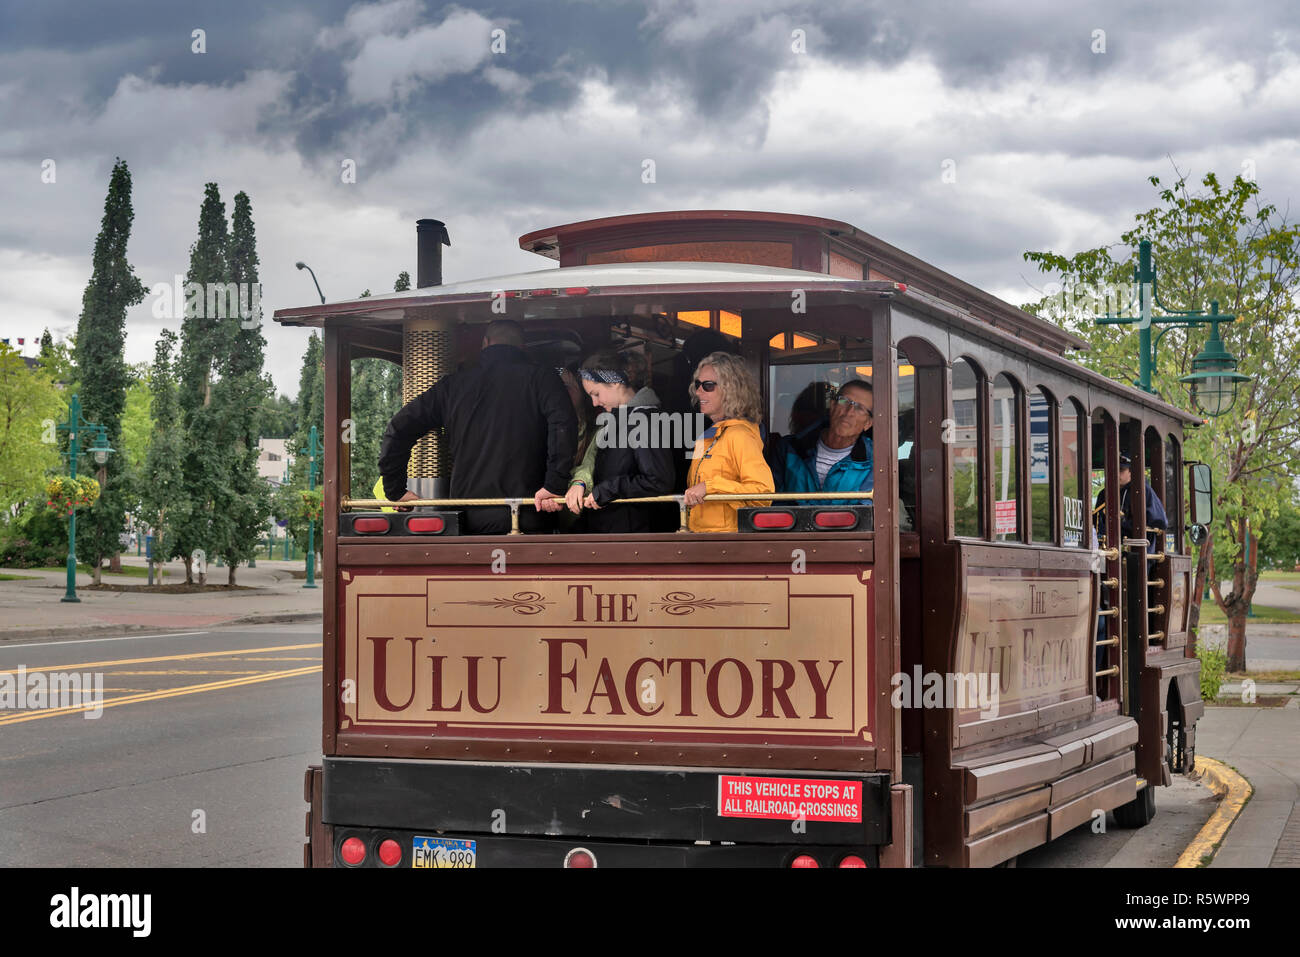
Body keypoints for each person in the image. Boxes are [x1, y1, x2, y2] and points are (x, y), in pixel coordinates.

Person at [377, 319, 577, 534]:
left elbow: (398, 428)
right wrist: (554, 486)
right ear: (522, 346)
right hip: (530, 514)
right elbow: (564, 427)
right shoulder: (542, 378)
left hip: (467, 519)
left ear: (485, 342)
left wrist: (395, 489)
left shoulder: (452, 386)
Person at [545, 350, 674, 533]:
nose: (594, 403)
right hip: (613, 531)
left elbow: (659, 480)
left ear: (614, 382)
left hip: (633, 537)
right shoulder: (616, 422)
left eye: (596, 393)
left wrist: (608, 489)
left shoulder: (644, 420)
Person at [682, 351, 774, 532]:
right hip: (700, 541)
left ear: (730, 389)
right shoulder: (706, 437)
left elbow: (763, 493)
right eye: (698, 384)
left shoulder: (740, 435)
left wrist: (711, 487)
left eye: (708, 386)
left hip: (728, 544)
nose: (699, 391)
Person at [778, 380, 874, 505]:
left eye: (860, 408)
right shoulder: (790, 448)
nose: (849, 412)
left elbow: (866, 514)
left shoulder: (875, 462)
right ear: (832, 406)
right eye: (844, 401)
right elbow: (772, 502)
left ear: (868, 423)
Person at [1093, 454, 1168, 552]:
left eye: (1120, 470)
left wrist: (1124, 522)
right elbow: (1096, 521)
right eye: (1113, 470)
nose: (1116, 473)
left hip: (1138, 554)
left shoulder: (1143, 491)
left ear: (1131, 472)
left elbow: (1161, 522)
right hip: (1108, 551)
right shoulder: (1104, 494)